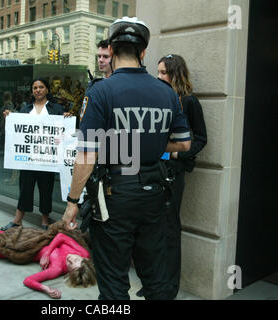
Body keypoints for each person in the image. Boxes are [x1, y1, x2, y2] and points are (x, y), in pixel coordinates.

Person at [62, 17, 191, 300]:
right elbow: (183, 142)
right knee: (155, 276)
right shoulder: (166, 92)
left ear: (111, 48)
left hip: (115, 196)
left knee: (113, 282)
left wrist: (72, 203)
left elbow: (87, 152)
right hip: (155, 194)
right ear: (143, 53)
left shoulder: (100, 91)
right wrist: (152, 143)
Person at [155, 53, 208, 298]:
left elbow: (201, 138)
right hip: (153, 170)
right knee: (152, 228)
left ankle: (169, 288)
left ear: (176, 73)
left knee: (170, 228)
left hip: (174, 172)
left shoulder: (189, 102)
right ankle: (154, 281)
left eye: (164, 72)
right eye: (158, 72)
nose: (159, 77)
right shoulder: (157, 98)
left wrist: (179, 156)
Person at [0, 78, 65, 231]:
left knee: (46, 189)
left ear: (47, 90)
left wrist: (66, 118)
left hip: (47, 158)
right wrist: (10, 118)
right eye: (35, 87)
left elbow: (62, 131)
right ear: (32, 91)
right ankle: (18, 220)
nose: (38, 90)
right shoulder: (25, 109)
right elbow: (18, 129)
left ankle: (44, 221)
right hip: (28, 159)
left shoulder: (57, 109)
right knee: (25, 189)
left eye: (41, 87)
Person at [0, 220, 96, 299]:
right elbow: (61, 236)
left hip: (27, 251)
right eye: (75, 260)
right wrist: (48, 252)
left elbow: (28, 280)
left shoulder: (57, 268)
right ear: (83, 259)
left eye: (70, 266)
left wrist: (46, 289)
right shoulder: (83, 253)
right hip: (41, 238)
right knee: (22, 234)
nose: (70, 260)